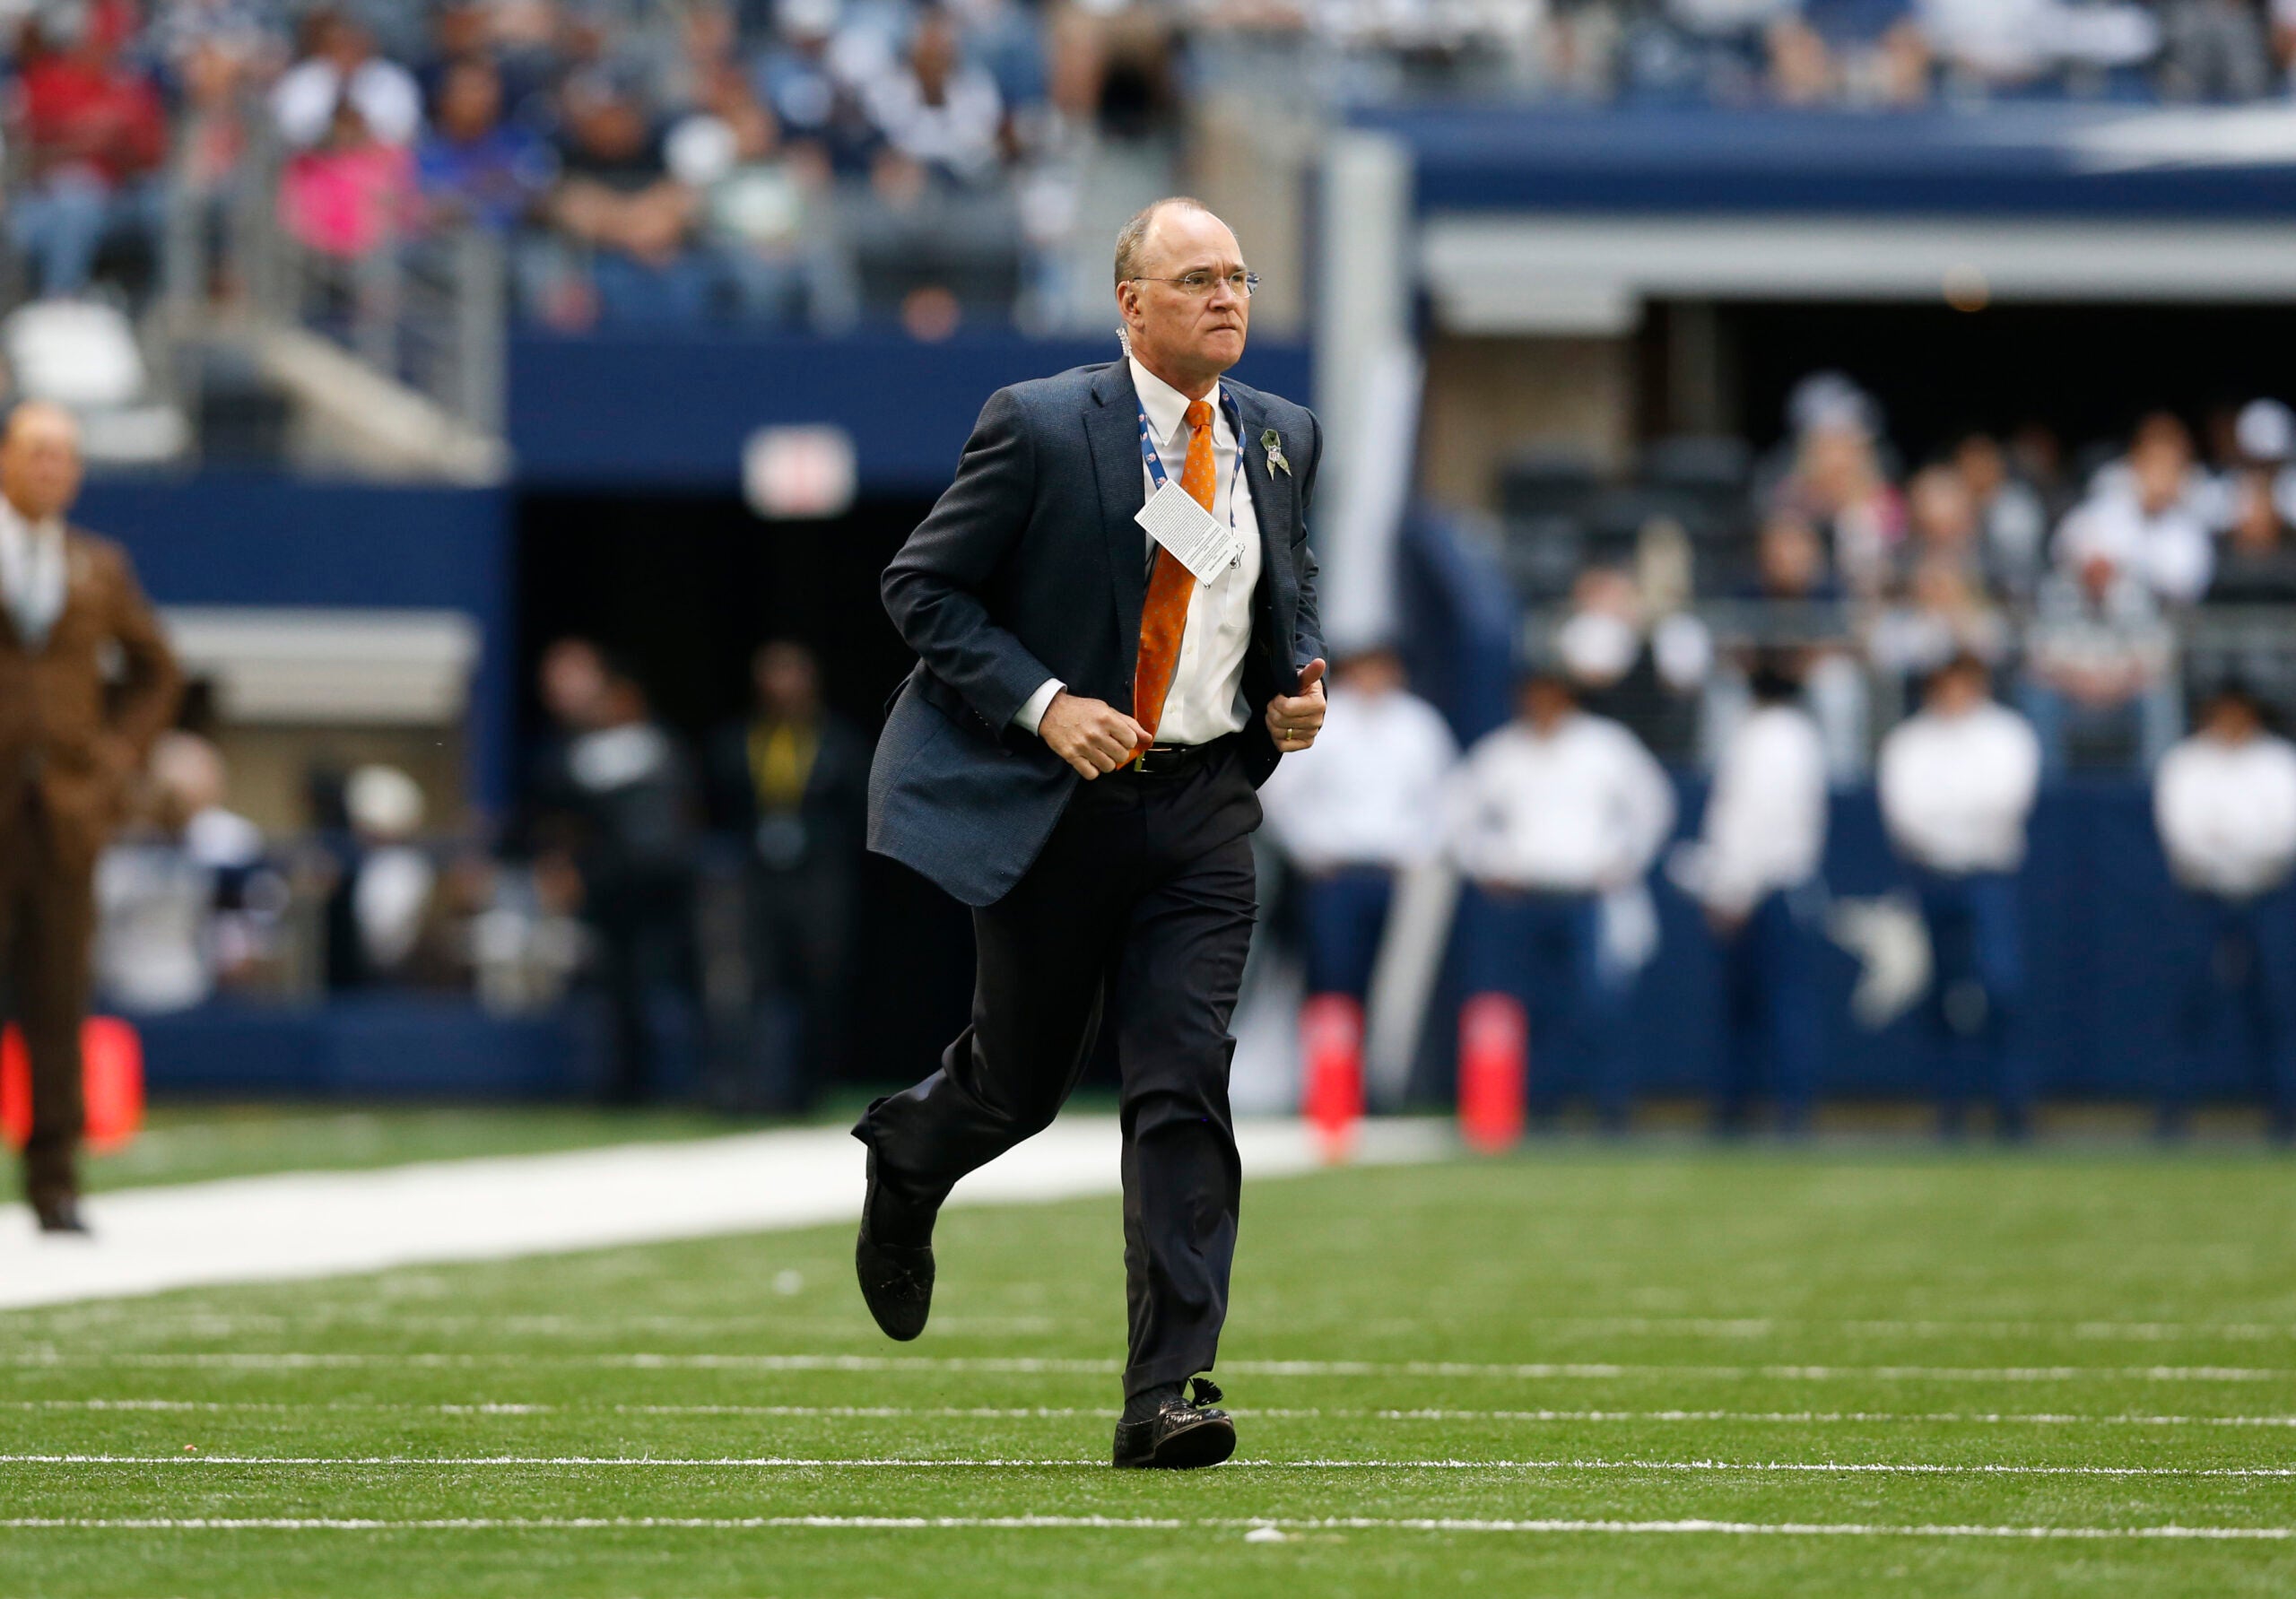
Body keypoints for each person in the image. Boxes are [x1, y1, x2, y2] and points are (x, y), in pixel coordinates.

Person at [854, 196, 1326, 1472]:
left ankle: (1168, 1388)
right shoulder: (1043, 422)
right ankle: (909, 1154)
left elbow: (1280, 587)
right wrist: (1046, 701)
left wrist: (1301, 680)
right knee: (1019, 1086)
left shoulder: (1283, 435)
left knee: (1184, 1080)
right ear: (1131, 303)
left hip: (1203, 809)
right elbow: (921, 585)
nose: (1226, 297)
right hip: (1057, 808)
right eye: (1194, 279)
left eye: (1237, 275)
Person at [0, 402, 182, 1231]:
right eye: (37, 451)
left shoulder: (95, 565)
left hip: (65, 812)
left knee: (58, 998)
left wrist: (112, 760)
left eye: (65, 455)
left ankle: (56, 1180)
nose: (52, 467)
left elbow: (158, 667)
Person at [1448, 666, 1675, 1132]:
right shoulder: (1503, 752)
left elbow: (1654, 805)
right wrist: (1490, 864)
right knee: (1530, 1007)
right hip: (1525, 897)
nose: (1540, 704)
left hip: (1585, 897)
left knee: (1595, 1005)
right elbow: (1456, 816)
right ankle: (1540, 1108)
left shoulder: (1605, 746)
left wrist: (1623, 860)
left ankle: (1610, 1106)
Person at [525, 640, 700, 1105]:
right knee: (613, 993)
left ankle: (690, 1083)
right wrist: (560, 868)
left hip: (664, 886)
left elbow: (685, 811)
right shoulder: (571, 756)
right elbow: (558, 824)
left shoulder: (660, 747)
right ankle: (621, 1087)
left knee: (664, 985)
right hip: (607, 889)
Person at [1877, 653, 2041, 1140]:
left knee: (2001, 988)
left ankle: (2011, 1107)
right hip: (1931, 878)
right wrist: (1955, 829)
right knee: (1939, 994)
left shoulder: (2007, 735)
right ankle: (1950, 1108)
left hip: (1989, 877)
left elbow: (2006, 804)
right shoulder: (1908, 742)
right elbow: (1907, 816)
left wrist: (1951, 826)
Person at [705, 639, 869, 1112]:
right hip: (755, 881)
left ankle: (810, 1088)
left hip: (819, 882)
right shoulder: (736, 740)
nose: (782, 687)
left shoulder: (838, 742)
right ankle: (745, 1088)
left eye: (791, 675)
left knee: (819, 981)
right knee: (749, 985)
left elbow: (859, 810)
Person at [1258, 645, 1457, 1004]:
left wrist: (1421, 853)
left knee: (1395, 990)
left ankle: (1380, 1062)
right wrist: (1307, 850)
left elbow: (1446, 798)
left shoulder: (1418, 725)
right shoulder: (1326, 720)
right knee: (1331, 979)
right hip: (1334, 875)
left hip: (1394, 875)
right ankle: (1332, 1061)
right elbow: (1278, 795)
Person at [1689, 653, 1829, 1134]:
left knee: (1762, 1006)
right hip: (1783, 883)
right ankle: (1782, 1106)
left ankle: (1755, 1108)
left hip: (1765, 887)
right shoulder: (1803, 737)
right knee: (1773, 1005)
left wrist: (1732, 888)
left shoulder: (1765, 738)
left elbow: (1750, 819)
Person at [2152, 682, 2296, 1141]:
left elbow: (2283, 833)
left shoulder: (2278, 762)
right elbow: (2183, 834)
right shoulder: (2185, 763)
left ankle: (2285, 1113)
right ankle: (2173, 1115)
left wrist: (2233, 846)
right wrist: (2232, 848)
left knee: (2276, 1003)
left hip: (2266, 895)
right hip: (2202, 897)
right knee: (2189, 1001)